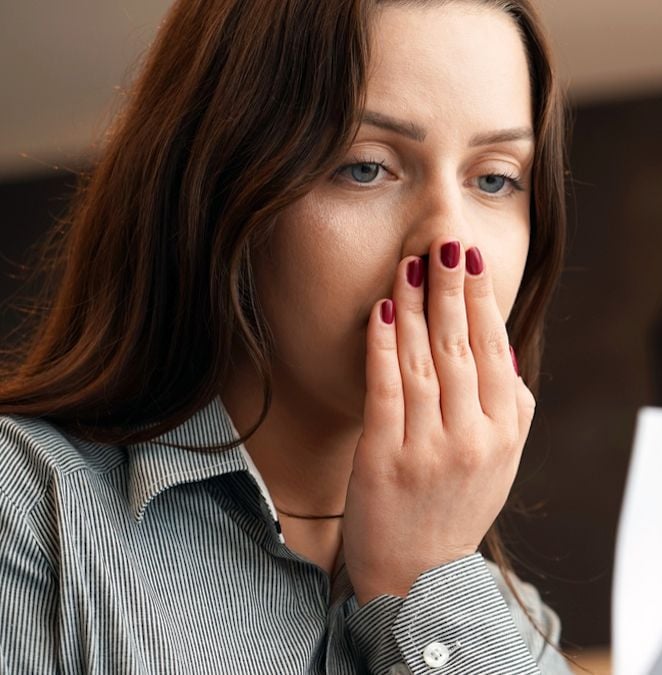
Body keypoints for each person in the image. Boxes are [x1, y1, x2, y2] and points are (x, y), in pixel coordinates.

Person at [0, 0, 574, 672]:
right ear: (216, 185)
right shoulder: (30, 511)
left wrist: (429, 581)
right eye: (365, 167)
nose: (449, 238)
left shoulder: (513, 630)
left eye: (495, 179)